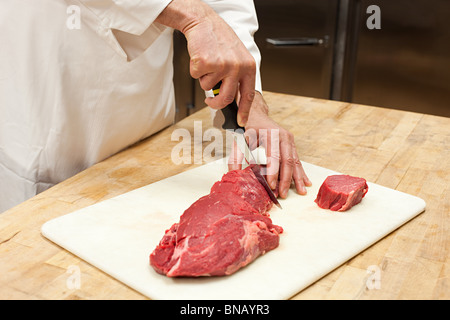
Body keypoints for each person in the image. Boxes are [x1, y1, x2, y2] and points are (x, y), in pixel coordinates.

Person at [0, 0, 311, 213]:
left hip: (145, 123)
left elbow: (225, 5)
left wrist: (246, 100)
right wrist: (189, 13)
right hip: (50, 98)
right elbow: (202, 13)